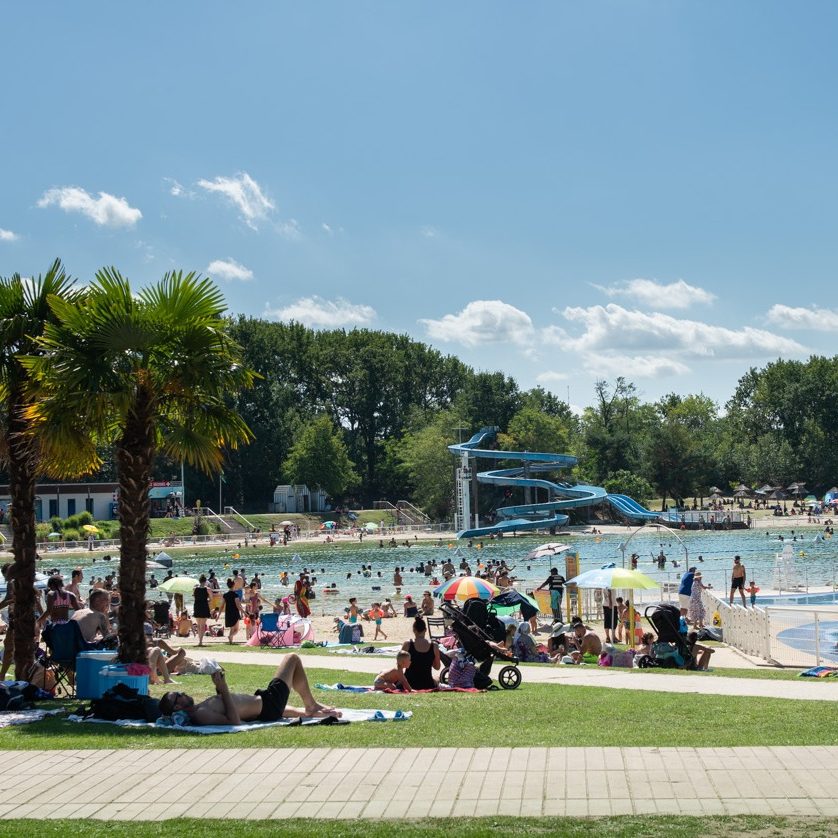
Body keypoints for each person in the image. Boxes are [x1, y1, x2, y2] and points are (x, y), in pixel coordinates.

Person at [158, 655, 340, 725]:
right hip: (269, 704)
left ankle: (312, 710)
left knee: (296, 711)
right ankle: (311, 705)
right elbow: (235, 722)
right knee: (292, 659)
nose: (182, 694)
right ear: (176, 708)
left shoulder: (200, 708)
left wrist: (219, 685)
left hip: (264, 705)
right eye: (178, 696)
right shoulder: (200, 714)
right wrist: (224, 689)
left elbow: (231, 708)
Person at [401, 617, 441, 690]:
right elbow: (437, 667)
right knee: (437, 678)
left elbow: (400, 665)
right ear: (425, 630)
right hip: (427, 683)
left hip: (409, 683)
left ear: (414, 630)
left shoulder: (407, 644)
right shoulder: (434, 645)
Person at [222, 578, 244, 644]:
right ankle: (230, 636)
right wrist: (244, 612)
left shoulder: (225, 595)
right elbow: (238, 606)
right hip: (235, 612)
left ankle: (230, 641)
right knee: (236, 630)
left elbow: (221, 606)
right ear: (234, 585)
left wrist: (219, 614)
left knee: (232, 628)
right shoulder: (235, 595)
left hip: (228, 612)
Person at [192, 575, 211, 647]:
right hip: (204, 606)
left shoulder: (195, 588)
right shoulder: (207, 589)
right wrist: (208, 600)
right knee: (202, 625)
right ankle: (200, 641)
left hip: (197, 606)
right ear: (205, 581)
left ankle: (199, 640)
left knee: (198, 624)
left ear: (199, 581)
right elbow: (211, 598)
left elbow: (194, 596)